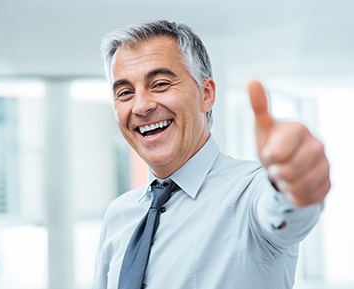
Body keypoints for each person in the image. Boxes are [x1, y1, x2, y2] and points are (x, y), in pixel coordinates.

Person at [93, 20, 331, 289]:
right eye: (125, 92)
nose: (141, 106)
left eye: (159, 84)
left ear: (206, 94)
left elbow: (283, 210)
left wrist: (295, 185)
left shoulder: (248, 194)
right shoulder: (118, 216)